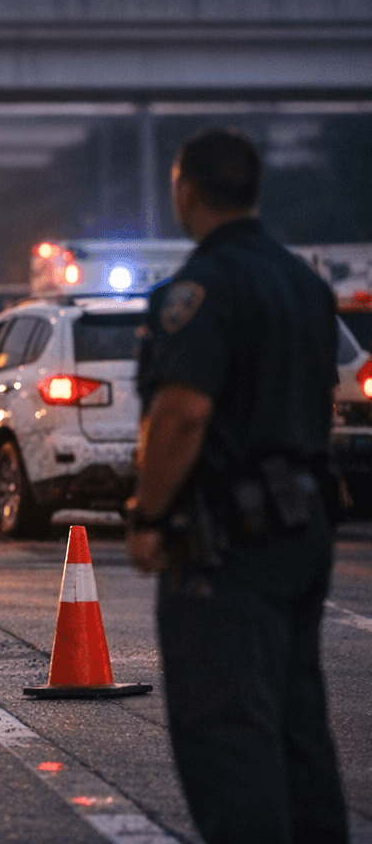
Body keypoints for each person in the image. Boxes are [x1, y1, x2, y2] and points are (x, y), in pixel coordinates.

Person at [124, 128, 348, 844]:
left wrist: (150, 515)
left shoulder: (199, 288)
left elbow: (183, 412)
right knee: (296, 722)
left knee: (229, 733)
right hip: (303, 530)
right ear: (254, 190)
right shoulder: (305, 285)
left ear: (184, 191)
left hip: (224, 544)